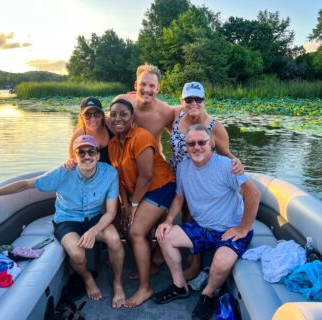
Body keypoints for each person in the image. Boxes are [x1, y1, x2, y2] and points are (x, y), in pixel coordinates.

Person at [0, 135, 126, 308]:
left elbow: (111, 212)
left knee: (114, 239)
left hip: (95, 219)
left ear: (98, 155)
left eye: (91, 151)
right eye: (81, 152)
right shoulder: (62, 174)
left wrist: (92, 231)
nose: (87, 156)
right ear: (74, 156)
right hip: (67, 220)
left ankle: (118, 284)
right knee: (76, 254)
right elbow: (25, 185)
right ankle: (88, 279)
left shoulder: (110, 173)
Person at [154, 124, 260, 320]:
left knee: (221, 259)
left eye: (201, 142)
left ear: (211, 143)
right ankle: (179, 286)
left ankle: (208, 294)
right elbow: (179, 197)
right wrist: (168, 220)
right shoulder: (184, 167)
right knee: (164, 236)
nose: (196, 147)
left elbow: (253, 194)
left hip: (231, 228)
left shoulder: (228, 166)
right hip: (203, 228)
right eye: (191, 143)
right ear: (185, 146)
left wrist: (244, 227)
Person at [170, 81, 244, 280]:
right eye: (189, 99)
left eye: (198, 99)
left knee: (195, 216)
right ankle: (175, 255)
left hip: (202, 179)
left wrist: (236, 163)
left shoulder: (214, 126)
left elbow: (225, 153)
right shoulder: (176, 116)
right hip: (180, 176)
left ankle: (195, 264)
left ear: (204, 100)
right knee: (181, 215)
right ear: (182, 101)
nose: (193, 102)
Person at [108, 98, 176, 308]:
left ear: (132, 118)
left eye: (123, 114)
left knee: (136, 231)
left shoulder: (142, 137)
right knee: (125, 226)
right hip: (137, 192)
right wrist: (124, 205)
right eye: (114, 114)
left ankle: (145, 288)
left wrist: (134, 206)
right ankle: (152, 263)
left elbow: (146, 176)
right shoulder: (112, 144)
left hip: (161, 187)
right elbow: (118, 177)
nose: (118, 118)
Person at [114, 64, 176, 152]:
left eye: (152, 86)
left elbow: (177, 137)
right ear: (136, 85)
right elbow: (107, 125)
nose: (147, 90)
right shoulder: (120, 102)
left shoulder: (166, 112)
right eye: (143, 84)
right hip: (125, 159)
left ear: (157, 89)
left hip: (154, 160)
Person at [68, 96, 114, 164]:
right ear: (81, 116)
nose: (93, 119)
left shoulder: (110, 125)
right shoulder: (77, 135)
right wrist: (70, 163)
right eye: (87, 115)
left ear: (102, 115)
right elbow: (72, 160)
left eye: (97, 114)